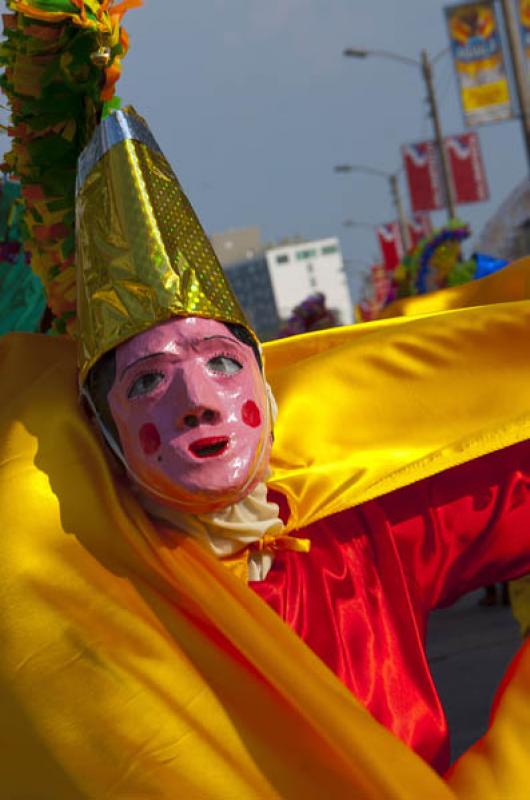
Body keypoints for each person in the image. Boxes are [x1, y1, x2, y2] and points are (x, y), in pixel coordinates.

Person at [5, 5, 530, 798]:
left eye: (220, 362)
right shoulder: (95, 587)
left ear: (266, 389)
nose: (194, 400)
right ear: (105, 431)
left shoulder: (356, 540)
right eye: (145, 379)